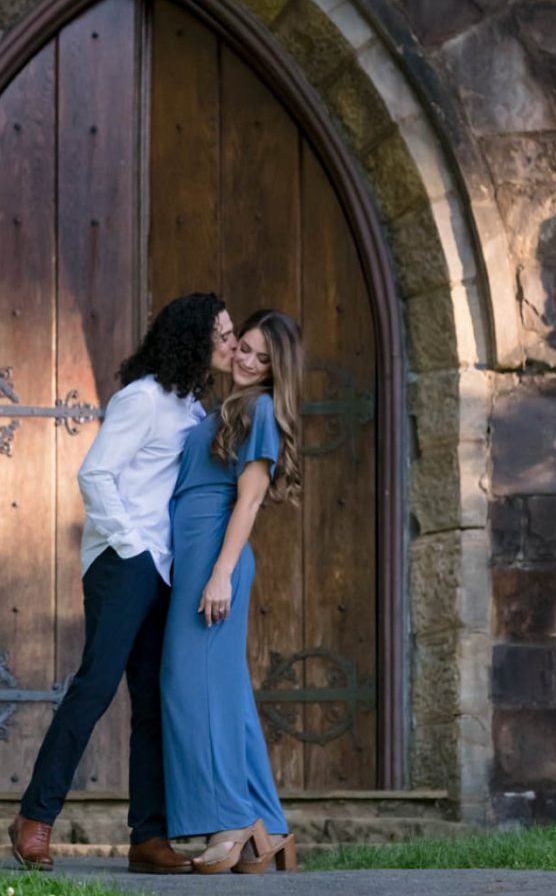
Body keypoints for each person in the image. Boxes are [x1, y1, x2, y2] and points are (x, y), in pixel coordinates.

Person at [10, 293, 236, 874]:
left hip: (167, 570)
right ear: (193, 337)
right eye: (224, 335)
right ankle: (35, 818)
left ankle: (148, 838)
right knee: (96, 685)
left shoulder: (190, 408)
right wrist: (134, 548)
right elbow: (96, 474)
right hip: (124, 560)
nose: (232, 344)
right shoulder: (143, 400)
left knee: (154, 704)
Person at [161, 309, 305, 874]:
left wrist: (220, 573)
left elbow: (247, 500)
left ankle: (229, 821)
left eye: (261, 358)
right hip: (196, 554)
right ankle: (269, 828)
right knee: (229, 694)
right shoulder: (225, 408)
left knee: (187, 681)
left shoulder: (262, 410)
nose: (246, 361)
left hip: (215, 559)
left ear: (276, 370)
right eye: (243, 347)